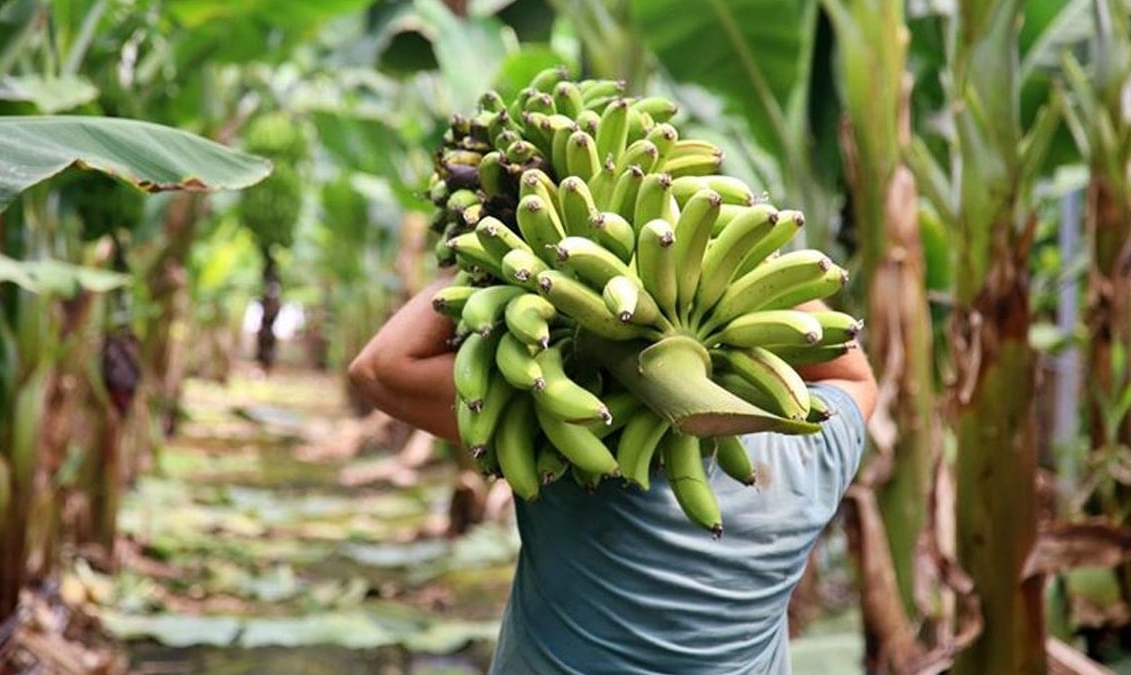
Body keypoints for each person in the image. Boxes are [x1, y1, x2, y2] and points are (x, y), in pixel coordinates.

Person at [349, 272, 877, 675]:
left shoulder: (565, 431)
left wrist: (491, 251)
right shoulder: (810, 451)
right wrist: (755, 266)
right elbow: (855, 375)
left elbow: (379, 368)